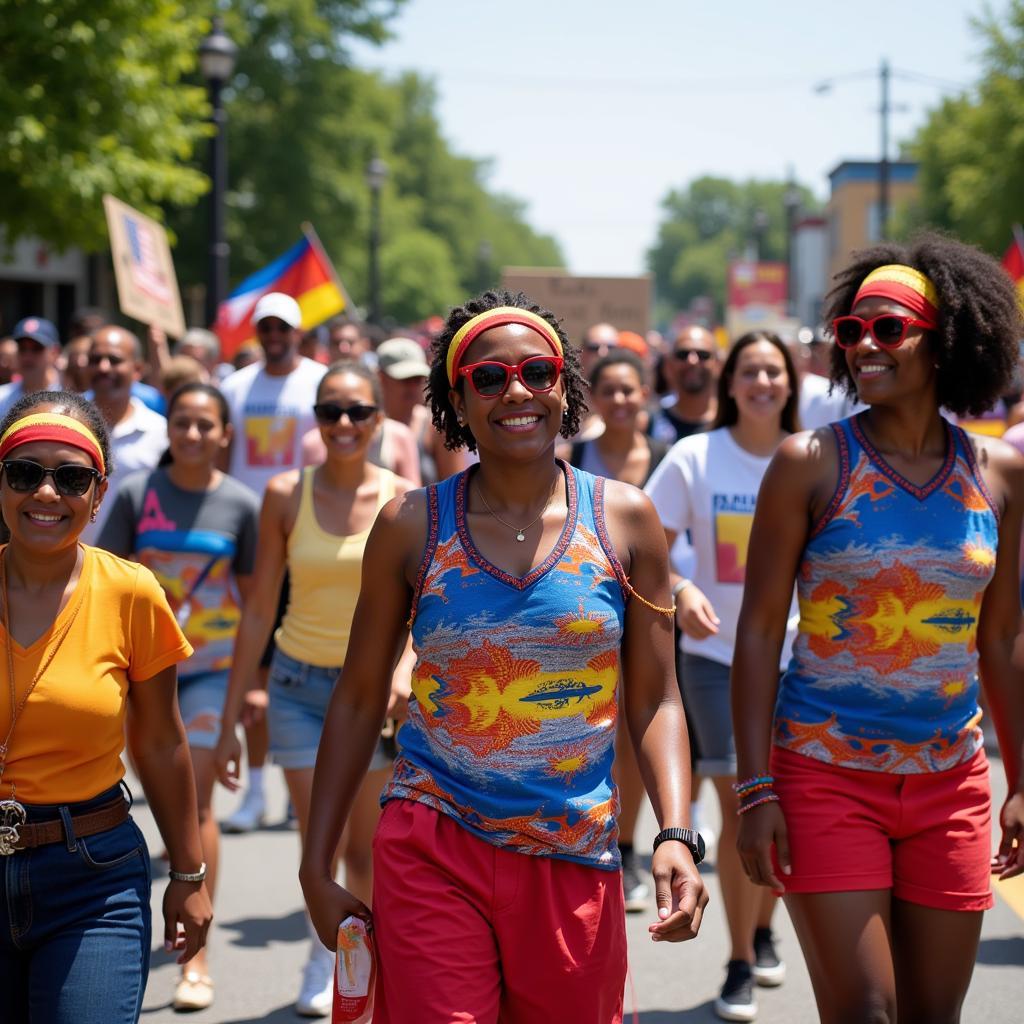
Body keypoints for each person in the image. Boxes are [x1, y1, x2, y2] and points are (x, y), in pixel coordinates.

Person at [299, 292, 709, 1024]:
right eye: (488, 379)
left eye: (537, 372)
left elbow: (656, 699)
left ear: (565, 386)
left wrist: (674, 831)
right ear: (456, 400)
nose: (515, 391)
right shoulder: (410, 526)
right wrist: (315, 862)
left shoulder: (628, 519)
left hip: (574, 855)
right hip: (433, 841)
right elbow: (360, 697)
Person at [732, 236, 1024, 1024]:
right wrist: (754, 788)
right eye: (852, 329)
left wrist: (1021, 778)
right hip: (823, 776)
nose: (865, 344)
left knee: (934, 1016)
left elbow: (998, 638)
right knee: (867, 1011)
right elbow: (758, 633)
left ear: (948, 340)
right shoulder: (809, 462)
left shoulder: (999, 475)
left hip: (950, 782)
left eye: (889, 329)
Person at [0, 389, 211, 1023]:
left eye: (69, 477)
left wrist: (189, 875)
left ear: (97, 493)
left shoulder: (131, 592)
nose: (45, 493)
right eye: (24, 473)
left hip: (92, 877)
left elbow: (161, 744)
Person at [216, 360, 414, 1017]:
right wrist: (229, 723)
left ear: (379, 421)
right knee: (319, 844)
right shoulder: (282, 495)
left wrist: (404, 669)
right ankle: (321, 958)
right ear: (316, 421)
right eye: (332, 412)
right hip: (299, 687)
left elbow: (421, 603)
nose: (345, 424)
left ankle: (363, 960)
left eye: (359, 412)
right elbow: (258, 609)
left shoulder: (402, 495)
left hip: (372, 692)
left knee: (365, 849)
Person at [646, 331, 798, 1022]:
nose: (762, 382)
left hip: (804, 665)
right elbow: (641, 539)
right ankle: (739, 958)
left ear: (791, 383)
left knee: (785, 808)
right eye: (750, 371)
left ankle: (761, 925)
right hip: (716, 665)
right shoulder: (695, 457)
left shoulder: (816, 458)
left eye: (774, 371)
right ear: (730, 384)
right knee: (746, 800)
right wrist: (679, 585)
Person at [98, 382, 259, 1013]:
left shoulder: (242, 505)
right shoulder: (137, 496)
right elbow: (97, 576)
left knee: (193, 806)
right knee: (148, 804)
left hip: (210, 671)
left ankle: (195, 959)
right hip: (141, 673)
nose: (192, 435)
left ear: (225, 434)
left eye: (204, 425)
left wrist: (255, 685)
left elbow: (255, 602)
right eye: (182, 423)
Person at [218, 292, 326, 834]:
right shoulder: (234, 388)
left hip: (307, 532)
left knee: (304, 662)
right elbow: (220, 458)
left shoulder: (317, 383)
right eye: (267, 327)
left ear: (299, 333)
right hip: (250, 534)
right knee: (258, 667)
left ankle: (296, 789)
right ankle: (256, 790)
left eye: (284, 327)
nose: (275, 335)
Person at [566, 349, 669, 913]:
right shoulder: (572, 457)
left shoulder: (665, 457)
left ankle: (628, 844)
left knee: (639, 721)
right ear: (593, 398)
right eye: (610, 390)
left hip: (650, 607)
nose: (621, 400)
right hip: (589, 611)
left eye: (631, 389)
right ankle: (593, 829)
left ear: (645, 394)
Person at [81, 326, 169, 543]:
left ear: (137, 369)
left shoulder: (160, 432)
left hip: (133, 569)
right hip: (70, 566)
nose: (103, 367)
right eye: (95, 359)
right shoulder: (66, 423)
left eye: (114, 359)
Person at [376, 337, 466, 483]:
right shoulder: (366, 424)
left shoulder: (438, 427)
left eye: (417, 379)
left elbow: (457, 490)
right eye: (404, 379)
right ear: (380, 378)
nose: (413, 387)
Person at [650, 326, 721, 444]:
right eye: (683, 354)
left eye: (703, 355)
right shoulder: (650, 424)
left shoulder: (735, 424)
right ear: (668, 366)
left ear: (719, 365)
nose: (692, 361)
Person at [0, 317, 62, 418]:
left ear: (54, 353)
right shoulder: (2, 398)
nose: (27, 356)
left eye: (37, 348)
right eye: (22, 348)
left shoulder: (70, 398)